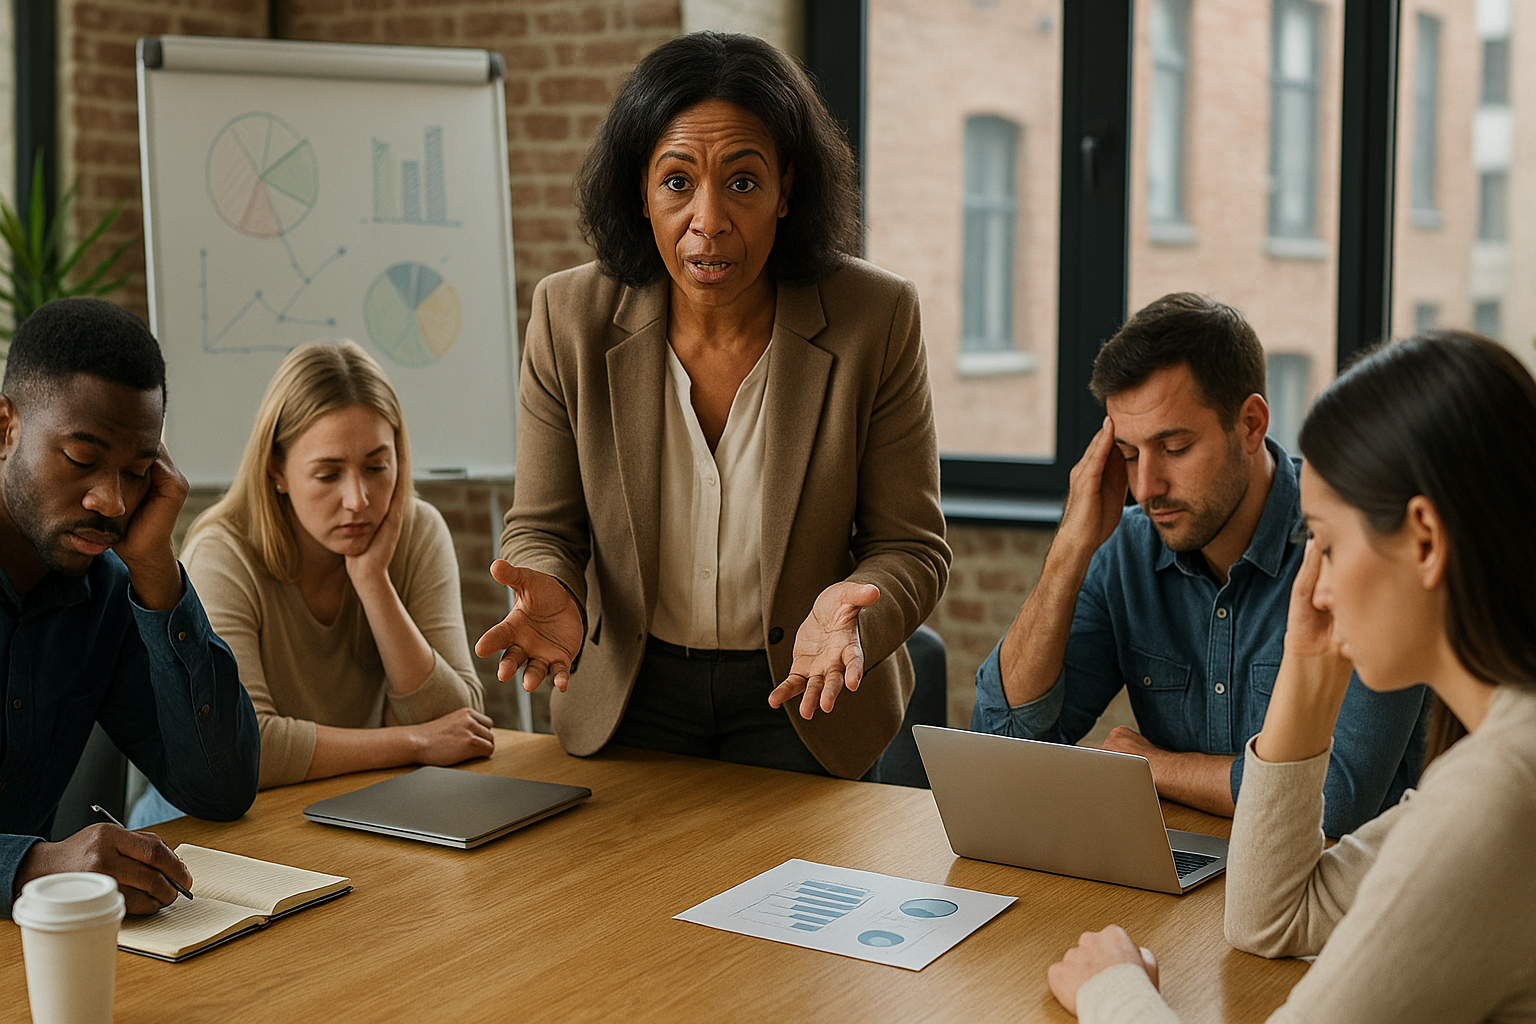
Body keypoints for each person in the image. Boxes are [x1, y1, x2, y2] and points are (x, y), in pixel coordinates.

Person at [474, 31, 950, 780]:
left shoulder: (876, 316)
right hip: (631, 694)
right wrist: (552, 582)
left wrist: (855, 611)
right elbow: (542, 526)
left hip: (805, 693)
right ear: (640, 188)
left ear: (787, 189)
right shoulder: (569, 316)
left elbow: (912, 545)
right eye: (676, 182)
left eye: (743, 182)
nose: (709, 220)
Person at [1047, 329, 1536, 1022]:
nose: (1318, 591)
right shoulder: (1504, 756)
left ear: (1425, 541)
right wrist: (1308, 668)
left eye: (1328, 545)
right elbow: (1270, 919)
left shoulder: (1492, 801)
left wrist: (1112, 990)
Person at [971, 293, 1426, 836]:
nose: (1146, 488)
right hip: (1188, 884)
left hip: (1347, 892)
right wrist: (1070, 549)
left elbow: (1335, 800)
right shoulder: (1127, 551)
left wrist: (1155, 767)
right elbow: (1002, 750)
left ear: (1252, 424)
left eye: (1175, 447)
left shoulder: (1357, 546)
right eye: (1130, 454)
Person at [0, 297, 259, 918]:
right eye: (83, 460)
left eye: (139, 471)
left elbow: (218, 789)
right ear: (5, 429)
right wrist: (30, 865)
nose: (113, 502)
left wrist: (155, 571)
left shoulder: (109, 591)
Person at [177, 341, 491, 791]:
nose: (358, 500)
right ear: (277, 471)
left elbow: (458, 724)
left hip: (350, 795)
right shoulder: (222, 556)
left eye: (378, 466)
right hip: (206, 818)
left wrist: (373, 581)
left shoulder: (418, 531)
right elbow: (244, 748)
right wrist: (411, 741)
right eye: (328, 474)